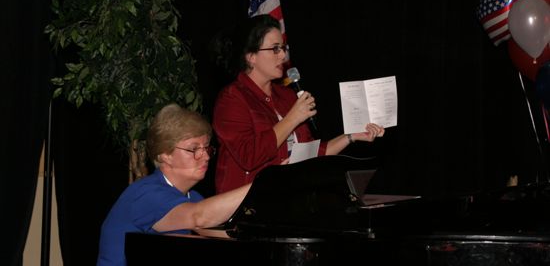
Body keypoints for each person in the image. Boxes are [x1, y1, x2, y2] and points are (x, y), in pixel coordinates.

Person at [210, 15, 385, 194]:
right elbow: (249, 156)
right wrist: (292, 118)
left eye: (283, 48)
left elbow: (310, 154)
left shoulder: (286, 95)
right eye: (275, 49)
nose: (284, 56)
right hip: (248, 204)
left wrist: (350, 136)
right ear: (251, 56)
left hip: (288, 196)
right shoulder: (231, 98)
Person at [97, 103, 251, 266]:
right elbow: (199, 217)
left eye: (206, 148)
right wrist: (263, 183)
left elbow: (222, 234)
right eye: (194, 149)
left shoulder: (193, 198)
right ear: (165, 155)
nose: (205, 156)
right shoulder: (144, 194)